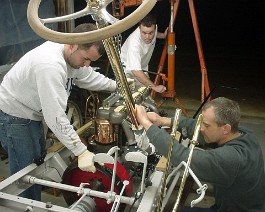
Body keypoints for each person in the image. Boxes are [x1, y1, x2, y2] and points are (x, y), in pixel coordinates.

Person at [0, 23, 116, 201]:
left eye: (90, 61)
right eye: (85, 59)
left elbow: (88, 76)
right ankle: (28, 205)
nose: (86, 64)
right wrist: (81, 151)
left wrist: (117, 86)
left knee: (35, 164)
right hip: (15, 115)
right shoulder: (50, 65)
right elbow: (55, 118)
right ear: (72, 45)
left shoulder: (72, 55)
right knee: (25, 175)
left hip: (31, 113)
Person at [135, 97, 265, 211]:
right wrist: (162, 120)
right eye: (201, 122)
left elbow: (183, 157)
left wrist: (146, 124)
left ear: (226, 128)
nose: (201, 128)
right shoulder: (244, 134)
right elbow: (195, 126)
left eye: (206, 125)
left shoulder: (231, 158)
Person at [120, 13, 167, 94]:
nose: (147, 37)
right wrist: (155, 87)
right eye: (144, 33)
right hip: (127, 71)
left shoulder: (153, 29)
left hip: (141, 68)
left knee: (145, 95)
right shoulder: (134, 44)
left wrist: (163, 35)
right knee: (132, 99)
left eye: (150, 33)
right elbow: (136, 71)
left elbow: (155, 34)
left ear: (155, 28)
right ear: (139, 28)